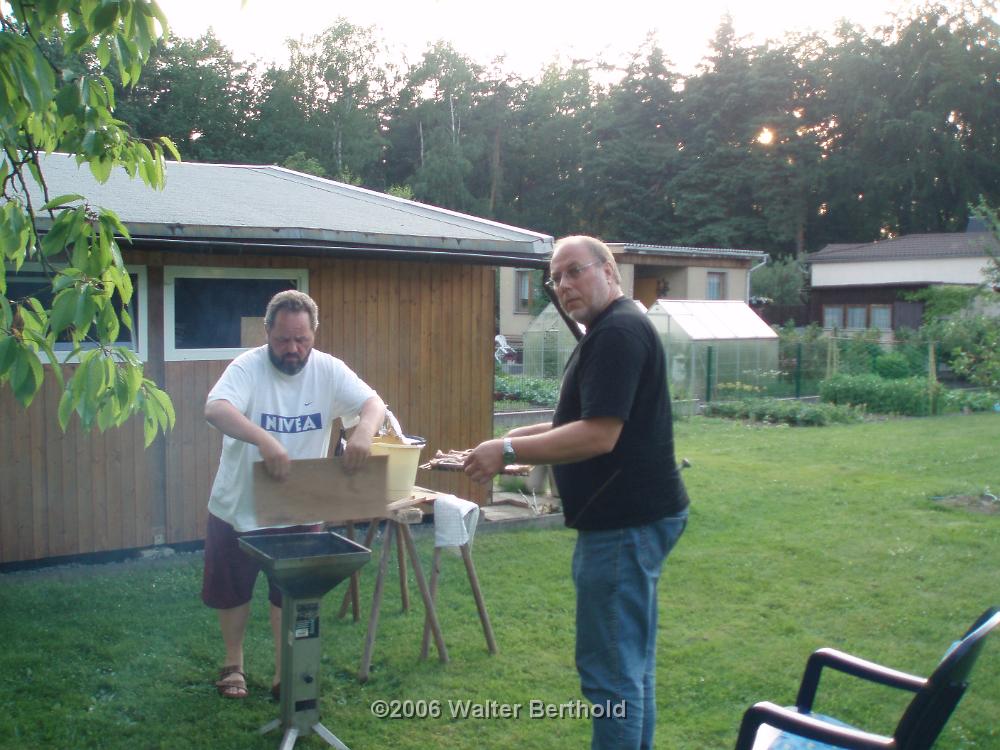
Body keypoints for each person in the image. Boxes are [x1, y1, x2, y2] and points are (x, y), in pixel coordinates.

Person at [464, 236, 689, 749]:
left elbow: (599, 435)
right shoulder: (613, 328)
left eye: (573, 271)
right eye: (555, 278)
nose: (563, 285)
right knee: (631, 667)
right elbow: (584, 418)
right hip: (635, 519)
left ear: (609, 271)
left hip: (623, 526)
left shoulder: (618, 333)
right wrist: (511, 439)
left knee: (612, 676)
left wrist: (509, 452)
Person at [202, 290, 385, 700]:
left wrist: (363, 432)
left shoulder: (329, 370)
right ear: (267, 332)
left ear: (314, 333)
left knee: (293, 594)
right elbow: (215, 409)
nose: (293, 349)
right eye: (283, 339)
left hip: (300, 505)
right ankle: (234, 664)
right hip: (239, 504)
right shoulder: (247, 368)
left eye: (301, 339)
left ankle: (286, 670)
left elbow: (373, 403)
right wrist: (264, 440)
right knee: (232, 589)